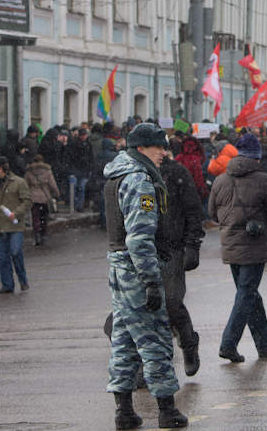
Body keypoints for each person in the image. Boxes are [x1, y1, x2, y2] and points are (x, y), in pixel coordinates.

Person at [103, 123, 187, 429]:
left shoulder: (117, 175)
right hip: (136, 268)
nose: (164, 153)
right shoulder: (139, 181)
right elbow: (139, 237)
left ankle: (124, 410)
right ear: (142, 149)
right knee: (156, 339)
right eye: (158, 147)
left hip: (119, 266)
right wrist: (151, 280)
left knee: (124, 340)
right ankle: (167, 410)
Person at [208, 133, 267, 363]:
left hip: (230, 245)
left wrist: (231, 220)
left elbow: (212, 213)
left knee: (249, 293)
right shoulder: (264, 180)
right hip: (254, 245)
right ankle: (228, 343)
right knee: (246, 293)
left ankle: (263, 342)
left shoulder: (221, 179)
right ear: (257, 157)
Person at [157, 150, 205, 376]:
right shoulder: (134, 174)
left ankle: (188, 343)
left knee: (172, 301)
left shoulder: (176, 173)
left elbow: (193, 209)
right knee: (137, 307)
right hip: (142, 248)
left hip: (172, 247)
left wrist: (193, 244)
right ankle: (147, 364)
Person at [0, 156, 32, 293]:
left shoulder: (19, 182)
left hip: (15, 226)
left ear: (1, 169)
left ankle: (23, 281)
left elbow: (27, 201)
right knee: (3, 257)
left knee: (15, 251)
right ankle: (7, 285)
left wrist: (16, 213)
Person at [25, 154, 59, 246]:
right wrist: (57, 193)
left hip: (33, 197)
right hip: (45, 196)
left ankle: (37, 235)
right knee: (44, 217)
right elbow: (52, 184)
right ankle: (43, 234)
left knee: (35, 217)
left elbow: (26, 185)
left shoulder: (29, 171)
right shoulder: (47, 171)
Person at [66, 128, 94, 211]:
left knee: (81, 188)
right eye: (82, 135)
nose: (83, 137)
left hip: (83, 170)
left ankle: (79, 206)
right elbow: (71, 157)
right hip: (77, 169)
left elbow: (91, 157)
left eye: (84, 135)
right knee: (76, 188)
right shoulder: (75, 144)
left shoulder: (88, 145)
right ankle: (75, 205)